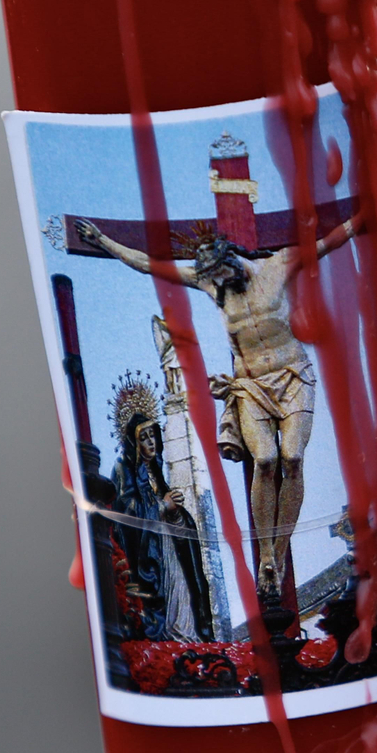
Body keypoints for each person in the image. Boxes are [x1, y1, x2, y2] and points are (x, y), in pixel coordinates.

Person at [77, 213, 359, 614]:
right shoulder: (212, 283)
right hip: (250, 385)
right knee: (265, 460)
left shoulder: (277, 265)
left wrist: (367, 215)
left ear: (233, 260)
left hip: (292, 375)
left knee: (292, 458)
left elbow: (327, 242)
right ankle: (265, 558)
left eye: (223, 276)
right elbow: (150, 265)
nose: (219, 286)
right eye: (213, 281)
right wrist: (104, 241)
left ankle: (277, 557)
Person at [108, 374, 216, 642]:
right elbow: (126, 512)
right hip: (148, 555)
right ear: (134, 443)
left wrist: (176, 514)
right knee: (167, 602)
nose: (151, 442)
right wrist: (161, 507)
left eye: (153, 436)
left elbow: (176, 523)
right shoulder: (122, 469)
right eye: (144, 438)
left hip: (168, 550)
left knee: (184, 590)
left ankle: (187, 638)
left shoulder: (157, 474)